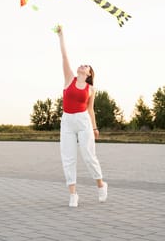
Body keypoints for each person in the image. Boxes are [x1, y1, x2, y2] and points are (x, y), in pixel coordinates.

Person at [56, 25, 108, 207]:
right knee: (68, 157)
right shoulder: (69, 78)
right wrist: (61, 36)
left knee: (88, 155)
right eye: (82, 64)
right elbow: (64, 56)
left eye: (86, 66)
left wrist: (94, 127)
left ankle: (101, 185)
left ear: (89, 74)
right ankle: (73, 194)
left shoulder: (91, 89)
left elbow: (90, 109)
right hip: (67, 122)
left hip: (83, 121)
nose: (82, 65)